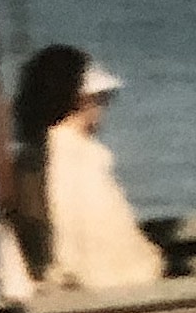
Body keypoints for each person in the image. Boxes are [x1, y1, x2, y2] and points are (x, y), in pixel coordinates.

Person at [9, 43, 165, 291]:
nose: (104, 108)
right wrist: (154, 266)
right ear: (83, 101)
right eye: (102, 99)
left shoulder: (29, 159)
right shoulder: (83, 158)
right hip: (104, 288)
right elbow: (115, 248)